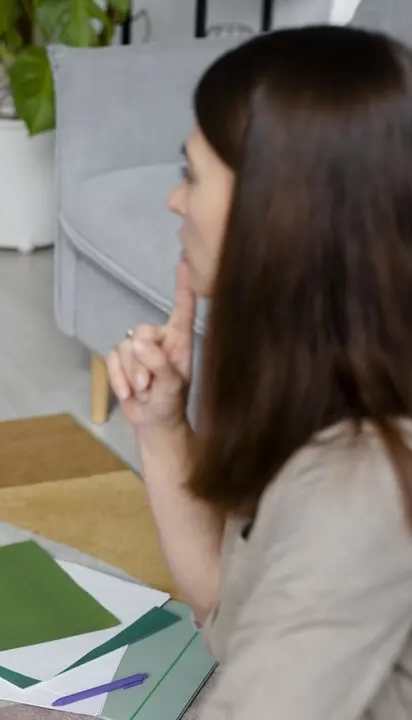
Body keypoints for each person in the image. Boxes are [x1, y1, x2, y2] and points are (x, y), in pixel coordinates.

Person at [105, 25, 412, 718]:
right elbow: (228, 614)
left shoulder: (365, 484)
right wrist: (160, 427)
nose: (174, 202)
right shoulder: (327, 397)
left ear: (277, 211)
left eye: (191, 175)